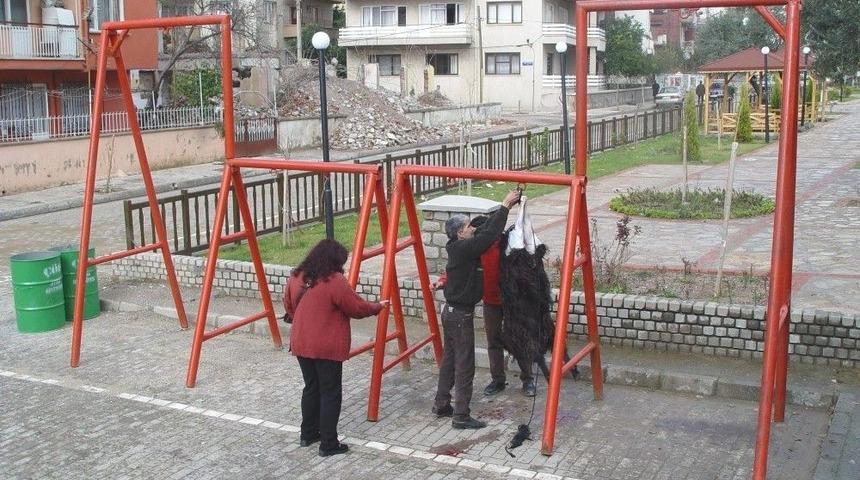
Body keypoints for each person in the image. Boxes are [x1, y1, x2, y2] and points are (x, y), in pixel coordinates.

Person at [287, 239, 390, 457]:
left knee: (311, 387)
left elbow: (289, 304)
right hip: (326, 345)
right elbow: (356, 307)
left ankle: (307, 434)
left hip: (301, 340)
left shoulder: (298, 276)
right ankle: (328, 443)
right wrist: (377, 307)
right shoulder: (334, 280)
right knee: (330, 392)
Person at [432, 190, 521, 430]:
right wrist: (505, 205)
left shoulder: (458, 246)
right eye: (468, 227)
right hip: (460, 317)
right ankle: (461, 415)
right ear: (460, 233)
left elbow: (485, 232)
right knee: (464, 365)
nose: (472, 228)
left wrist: (502, 212)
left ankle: (441, 404)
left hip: (450, 313)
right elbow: (487, 235)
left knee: (449, 360)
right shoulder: (465, 249)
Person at [433, 215, 537, 398]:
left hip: (512, 301)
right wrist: (443, 281)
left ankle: (528, 379)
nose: (474, 232)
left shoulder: (505, 246)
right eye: (471, 229)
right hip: (490, 301)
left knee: (519, 340)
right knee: (493, 341)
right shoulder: (474, 250)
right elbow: (457, 270)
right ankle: (498, 380)